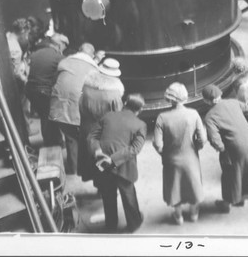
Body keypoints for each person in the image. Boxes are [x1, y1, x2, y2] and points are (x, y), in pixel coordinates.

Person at [88, 93, 147, 233]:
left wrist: (96, 150)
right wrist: (114, 160)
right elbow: (134, 149)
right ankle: (134, 223)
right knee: (128, 195)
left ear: (125, 103)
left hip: (102, 164)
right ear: (140, 110)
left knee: (108, 195)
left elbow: (92, 136)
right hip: (124, 168)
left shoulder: (108, 116)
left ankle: (111, 224)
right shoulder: (140, 125)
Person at [202, 84, 248, 213]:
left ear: (206, 101)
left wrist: (224, 151)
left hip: (235, 148)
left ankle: (227, 203)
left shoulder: (210, 117)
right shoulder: (234, 102)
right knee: (247, 170)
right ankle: (241, 199)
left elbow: (215, 140)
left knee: (230, 174)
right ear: (220, 95)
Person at [153, 83, 206, 225]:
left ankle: (178, 217)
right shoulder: (194, 114)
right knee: (193, 185)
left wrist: (164, 154)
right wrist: (196, 148)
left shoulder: (162, 117)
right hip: (191, 158)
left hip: (171, 159)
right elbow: (203, 139)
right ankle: (194, 214)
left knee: (174, 188)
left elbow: (157, 144)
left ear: (169, 98)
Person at [49, 43, 99, 174]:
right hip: (79, 105)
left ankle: (74, 168)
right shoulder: (93, 67)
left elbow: (55, 79)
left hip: (58, 104)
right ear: (92, 55)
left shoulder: (65, 61)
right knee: (86, 135)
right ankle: (86, 167)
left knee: (70, 136)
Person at [78, 58, 125, 187]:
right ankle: (106, 187)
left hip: (88, 128)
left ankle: (98, 184)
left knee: (92, 157)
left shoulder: (86, 86)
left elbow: (80, 107)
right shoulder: (114, 94)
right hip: (106, 131)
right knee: (106, 160)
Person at [25, 32, 69, 146]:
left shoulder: (36, 53)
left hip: (30, 90)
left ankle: (54, 141)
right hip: (43, 91)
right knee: (50, 116)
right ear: (60, 44)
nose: (64, 49)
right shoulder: (58, 57)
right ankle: (53, 144)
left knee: (45, 116)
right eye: (65, 46)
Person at [6, 18, 30, 87]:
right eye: (27, 33)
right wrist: (25, 79)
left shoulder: (6, 35)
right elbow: (16, 74)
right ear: (23, 31)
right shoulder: (17, 50)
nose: (26, 37)